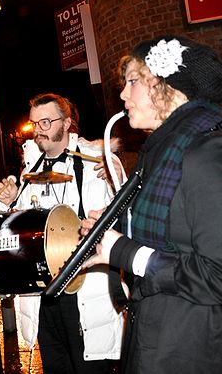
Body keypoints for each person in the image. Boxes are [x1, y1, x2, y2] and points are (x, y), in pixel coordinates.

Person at [82, 35, 222, 373]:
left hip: (190, 345)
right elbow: (173, 235)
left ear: (169, 87)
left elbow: (217, 274)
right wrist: (116, 230)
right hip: (156, 332)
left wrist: (128, 253)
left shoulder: (205, 153)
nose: (123, 94)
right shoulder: (160, 154)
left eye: (133, 81)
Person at [0, 93, 126, 373]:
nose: (38, 130)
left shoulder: (96, 160)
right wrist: (9, 202)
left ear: (67, 123)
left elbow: (125, 212)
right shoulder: (31, 170)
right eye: (34, 124)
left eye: (46, 122)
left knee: (90, 367)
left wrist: (118, 174)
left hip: (86, 286)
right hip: (46, 293)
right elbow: (19, 232)